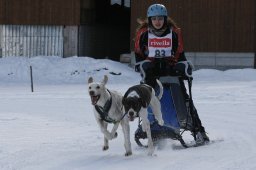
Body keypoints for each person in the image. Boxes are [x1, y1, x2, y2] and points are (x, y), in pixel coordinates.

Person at [134, 3, 209, 144]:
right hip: (152, 73)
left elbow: (180, 55)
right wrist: (144, 67)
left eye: (160, 18)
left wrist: (184, 68)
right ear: (149, 19)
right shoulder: (143, 34)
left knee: (185, 99)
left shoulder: (174, 32)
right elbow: (138, 56)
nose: (157, 21)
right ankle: (146, 126)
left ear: (165, 19)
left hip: (171, 71)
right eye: (154, 18)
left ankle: (199, 131)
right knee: (146, 99)